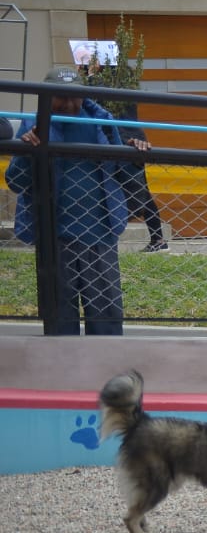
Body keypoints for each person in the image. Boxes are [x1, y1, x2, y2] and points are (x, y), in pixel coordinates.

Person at [4, 67, 134, 335]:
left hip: (100, 234)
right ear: (46, 97)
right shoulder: (35, 123)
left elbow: (123, 171)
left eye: (74, 96)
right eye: (60, 97)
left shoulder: (100, 121)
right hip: (55, 237)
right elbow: (16, 182)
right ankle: (64, 372)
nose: (68, 103)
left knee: (106, 314)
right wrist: (28, 152)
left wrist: (136, 152)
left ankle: (106, 367)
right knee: (59, 316)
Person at [81, 59, 169, 253]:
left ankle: (158, 239)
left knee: (138, 191)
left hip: (125, 139)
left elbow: (93, 97)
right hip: (130, 138)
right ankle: (158, 239)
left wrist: (90, 76)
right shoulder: (126, 82)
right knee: (141, 191)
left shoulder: (112, 85)